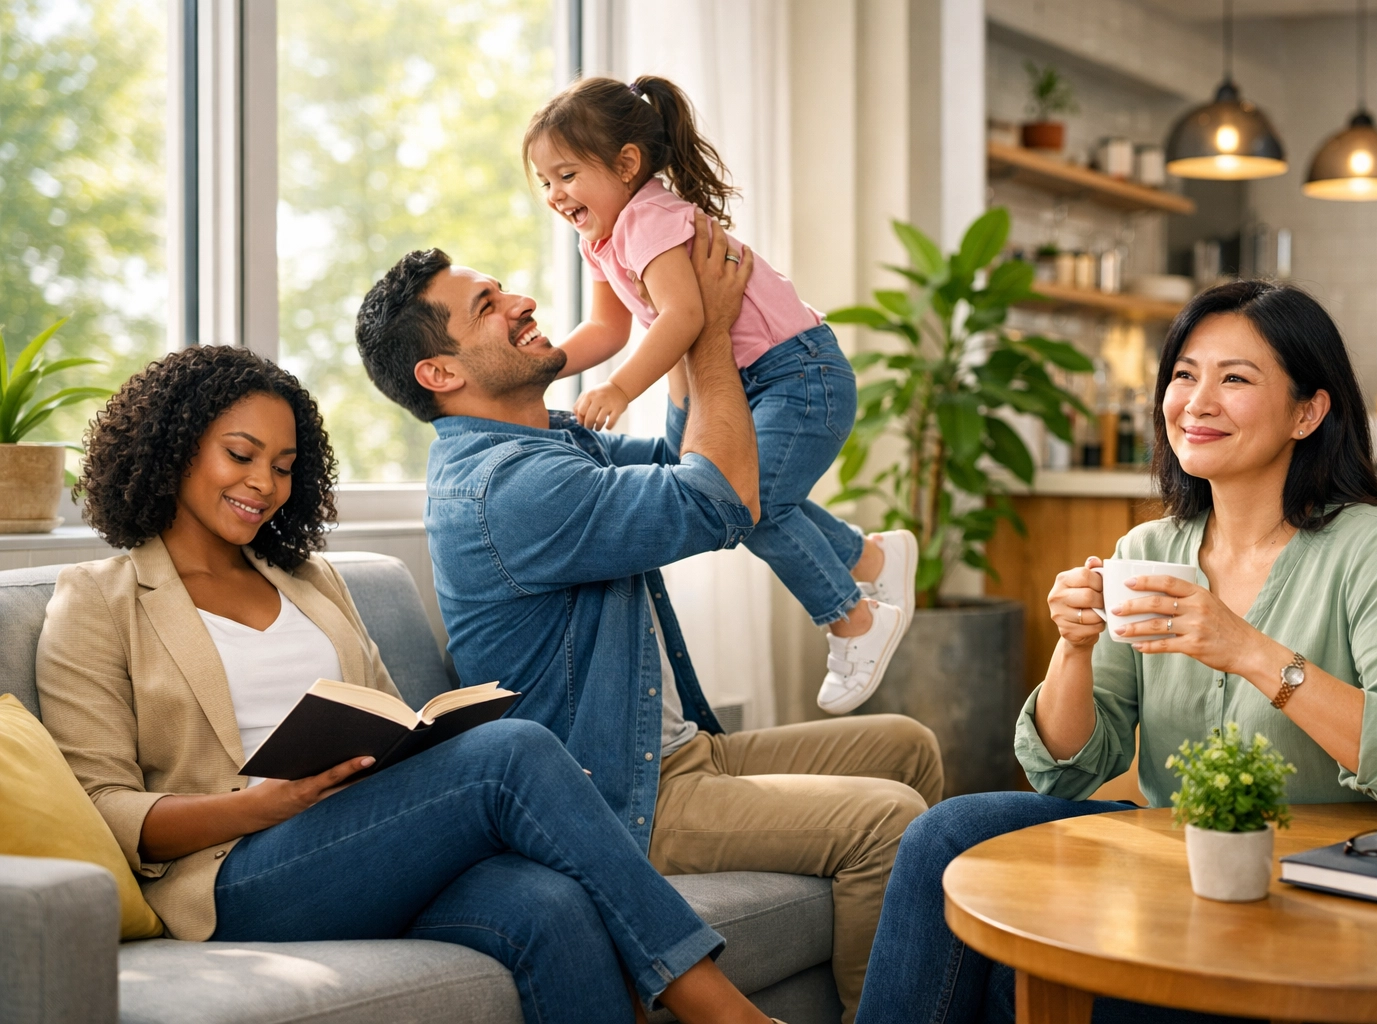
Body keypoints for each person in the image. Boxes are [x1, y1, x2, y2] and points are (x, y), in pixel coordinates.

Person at [34, 344, 787, 1024]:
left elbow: (384, 713)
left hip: (362, 835)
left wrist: (412, 741)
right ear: (175, 448)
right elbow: (104, 807)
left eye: (285, 466)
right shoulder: (100, 600)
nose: (263, 484)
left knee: (549, 903)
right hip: (235, 874)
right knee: (513, 751)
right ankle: (719, 1009)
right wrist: (265, 804)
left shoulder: (311, 580)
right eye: (241, 455)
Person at [354, 214, 943, 1024]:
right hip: (617, 794)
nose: (522, 301)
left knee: (907, 746)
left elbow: (687, 459)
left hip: (672, 755)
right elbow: (722, 496)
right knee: (887, 821)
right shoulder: (508, 489)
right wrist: (700, 333)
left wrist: (679, 323)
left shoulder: (550, 446)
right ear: (439, 371)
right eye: (488, 304)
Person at [854, 280, 1377, 1024]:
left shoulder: (1375, 548)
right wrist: (1073, 650)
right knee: (943, 836)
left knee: (1005, 980)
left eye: (1235, 378)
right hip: (1169, 867)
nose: (1196, 401)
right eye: (1184, 374)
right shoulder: (1148, 550)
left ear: (1308, 411)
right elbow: (1070, 769)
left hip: (1306, 892)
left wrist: (1245, 649)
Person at [523, 74, 916, 713]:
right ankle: (870, 556)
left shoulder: (649, 218)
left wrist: (621, 389)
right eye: (544, 181)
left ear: (626, 165)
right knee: (724, 489)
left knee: (746, 505)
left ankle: (855, 620)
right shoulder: (602, 238)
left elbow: (682, 317)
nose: (554, 194)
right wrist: (543, 369)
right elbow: (607, 327)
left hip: (797, 374)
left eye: (566, 175)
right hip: (749, 380)